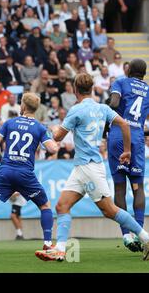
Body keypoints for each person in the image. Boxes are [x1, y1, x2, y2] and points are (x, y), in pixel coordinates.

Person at [35, 73, 149, 261]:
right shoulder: (102, 108)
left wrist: (53, 128)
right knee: (62, 205)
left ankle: (145, 237)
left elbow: (57, 137)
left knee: (109, 210)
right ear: (91, 88)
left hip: (89, 168)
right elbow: (124, 124)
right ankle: (60, 249)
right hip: (82, 167)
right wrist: (127, 149)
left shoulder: (76, 110)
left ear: (74, 89)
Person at [0, 93, 59, 254]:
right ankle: (47, 243)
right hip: (25, 173)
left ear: (23, 106)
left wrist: (1, 159)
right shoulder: (39, 127)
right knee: (45, 206)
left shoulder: (10, 122)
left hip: (6, 171)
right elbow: (52, 149)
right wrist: (50, 135)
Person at [107, 59, 149, 252]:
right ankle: (141, 233)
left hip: (117, 135)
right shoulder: (148, 90)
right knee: (138, 186)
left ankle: (126, 235)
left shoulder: (121, 82)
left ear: (130, 69)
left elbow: (114, 102)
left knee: (119, 187)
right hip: (138, 138)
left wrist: (105, 108)